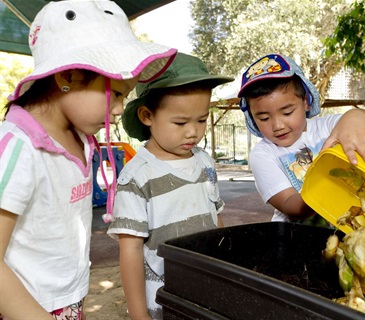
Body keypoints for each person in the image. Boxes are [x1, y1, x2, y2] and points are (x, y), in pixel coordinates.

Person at [0, 1, 176, 319]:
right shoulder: (18, 148)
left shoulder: (82, 140)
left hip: (69, 300)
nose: (121, 108)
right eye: (117, 94)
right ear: (68, 75)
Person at [107, 52, 234, 319]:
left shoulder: (205, 162)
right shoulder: (137, 177)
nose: (193, 132)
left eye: (201, 120)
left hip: (209, 293)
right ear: (146, 116)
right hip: (165, 303)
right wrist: (139, 315)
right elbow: (130, 251)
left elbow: (216, 221)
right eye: (180, 122)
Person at [238, 53, 365, 224]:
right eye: (264, 118)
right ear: (252, 118)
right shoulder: (263, 154)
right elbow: (292, 206)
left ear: (305, 102)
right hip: (295, 239)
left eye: (287, 112)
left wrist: (357, 121)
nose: (278, 125)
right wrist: (326, 182)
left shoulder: (326, 128)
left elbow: (359, 117)